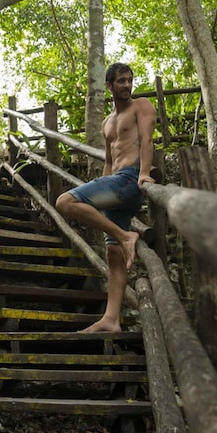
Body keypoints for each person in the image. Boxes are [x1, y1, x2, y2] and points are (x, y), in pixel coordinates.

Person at [55, 62, 156, 333]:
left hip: (130, 180)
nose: (127, 85)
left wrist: (144, 174)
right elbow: (110, 161)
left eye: (130, 80)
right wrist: (99, 187)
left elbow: (147, 140)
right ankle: (112, 319)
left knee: (65, 202)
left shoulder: (141, 106)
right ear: (109, 86)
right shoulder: (106, 123)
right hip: (115, 184)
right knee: (113, 254)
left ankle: (126, 237)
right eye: (121, 81)